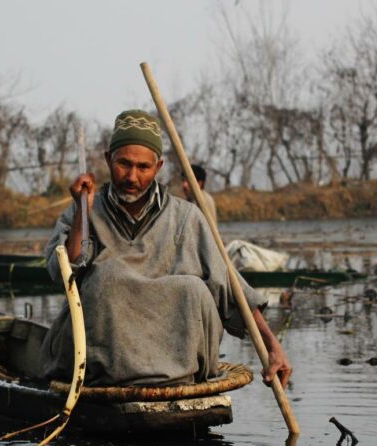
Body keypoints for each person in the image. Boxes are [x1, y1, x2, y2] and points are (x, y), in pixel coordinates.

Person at [41, 109, 291, 388]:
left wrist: (272, 345)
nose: (132, 177)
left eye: (143, 168)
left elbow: (230, 287)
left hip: (176, 366)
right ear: (108, 160)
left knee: (193, 290)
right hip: (100, 368)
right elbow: (64, 272)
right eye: (124, 164)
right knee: (106, 278)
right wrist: (81, 213)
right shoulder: (83, 210)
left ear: (158, 168)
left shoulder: (186, 217)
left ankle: (173, 377)